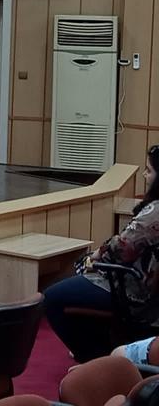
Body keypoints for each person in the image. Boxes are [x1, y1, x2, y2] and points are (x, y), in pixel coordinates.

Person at [44, 145, 159, 362]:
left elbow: (121, 249)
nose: (145, 175)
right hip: (147, 287)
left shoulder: (155, 213)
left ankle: (94, 358)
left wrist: (95, 256)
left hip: (136, 291)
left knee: (51, 297)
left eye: (149, 170)